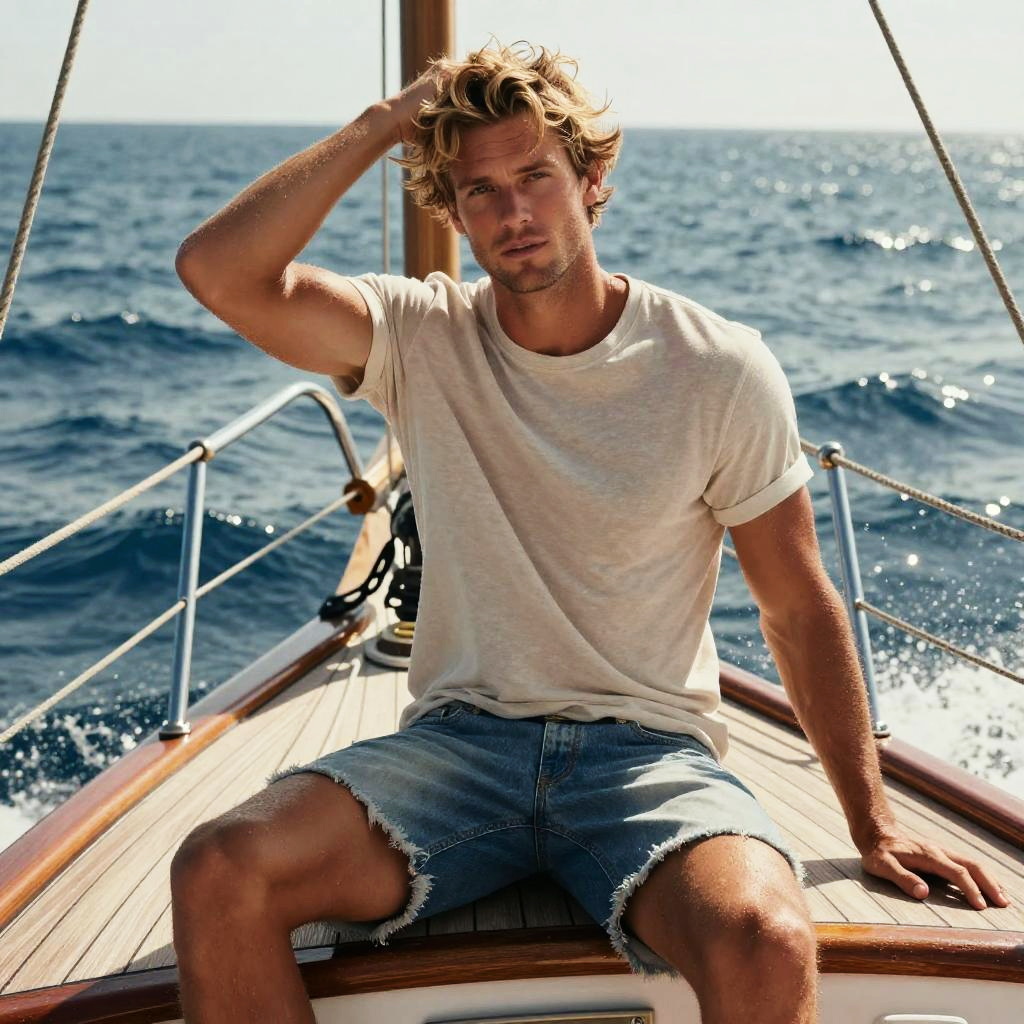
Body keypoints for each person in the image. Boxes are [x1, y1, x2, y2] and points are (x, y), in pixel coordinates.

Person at [170, 40, 1011, 1024]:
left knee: (767, 937)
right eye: (479, 191)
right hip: (457, 749)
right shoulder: (420, 335)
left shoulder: (716, 368)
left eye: (534, 175)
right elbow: (219, 272)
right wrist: (386, 122)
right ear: (452, 212)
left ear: (591, 179)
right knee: (219, 868)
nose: (512, 211)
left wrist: (871, 821)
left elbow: (793, 600)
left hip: (646, 758)